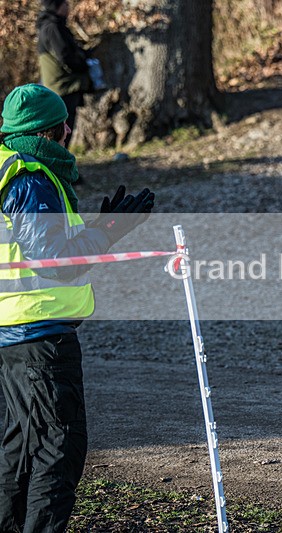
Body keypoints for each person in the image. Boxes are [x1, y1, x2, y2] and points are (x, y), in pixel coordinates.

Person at [0, 83, 154, 532]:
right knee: (59, 446)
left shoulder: (11, 168)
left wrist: (98, 227)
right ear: (49, 132)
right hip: (39, 334)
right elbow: (54, 261)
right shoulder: (32, 178)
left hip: (16, 329)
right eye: (64, 123)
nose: (70, 130)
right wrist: (109, 231)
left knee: (22, 447)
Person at [37, 0, 93, 147]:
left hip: (61, 86)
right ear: (57, 6)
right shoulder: (53, 27)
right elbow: (65, 55)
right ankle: (60, 159)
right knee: (63, 131)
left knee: (62, 130)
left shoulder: (50, 26)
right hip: (63, 86)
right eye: (65, 4)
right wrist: (82, 65)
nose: (68, 7)